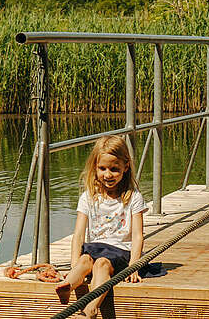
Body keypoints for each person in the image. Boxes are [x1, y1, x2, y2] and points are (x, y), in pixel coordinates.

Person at [54, 136, 148, 318]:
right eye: (102, 168)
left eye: (114, 169)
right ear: (95, 167)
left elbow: (137, 236)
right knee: (84, 261)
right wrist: (74, 265)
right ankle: (68, 285)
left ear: (125, 167)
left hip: (121, 252)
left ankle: (91, 307)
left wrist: (134, 267)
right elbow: (79, 235)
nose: (108, 175)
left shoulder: (133, 197)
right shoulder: (88, 197)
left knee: (101, 264)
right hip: (95, 247)